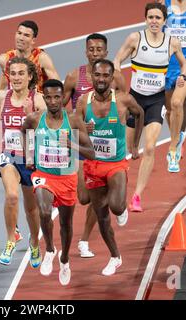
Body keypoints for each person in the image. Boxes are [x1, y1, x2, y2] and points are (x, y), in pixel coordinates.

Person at [114, 1, 186, 211]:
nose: (154, 21)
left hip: (155, 100)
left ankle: (136, 196)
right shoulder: (136, 38)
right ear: (145, 19)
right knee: (129, 150)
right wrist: (119, 84)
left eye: (158, 18)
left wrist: (182, 76)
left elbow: (183, 62)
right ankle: (132, 151)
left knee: (151, 147)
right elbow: (117, 60)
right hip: (135, 99)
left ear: (165, 21)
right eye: (150, 17)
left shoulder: (171, 43)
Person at [22, 79, 95, 285]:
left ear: (63, 98)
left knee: (65, 223)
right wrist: (28, 155)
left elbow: (90, 152)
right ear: (43, 98)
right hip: (44, 175)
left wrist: (71, 144)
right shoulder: (35, 119)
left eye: (57, 97)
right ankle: (50, 250)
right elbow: (25, 130)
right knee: (44, 211)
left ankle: (64, 259)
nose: (53, 101)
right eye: (49, 97)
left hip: (67, 178)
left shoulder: (73, 121)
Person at [77, 59, 144, 275]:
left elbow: (140, 113)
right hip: (92, 165)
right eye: (98, 75)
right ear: (91, 77)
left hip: (115, 163)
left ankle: (122, 204)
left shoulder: (123, 100)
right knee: (102, 216)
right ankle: (115, 257)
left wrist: (134, 144)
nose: (102, 79)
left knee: (115, 207)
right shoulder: (83, 102)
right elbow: (75, 128)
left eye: (106, 75)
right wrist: (83, 131)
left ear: (112, 77)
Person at [63, 33, 127, 259]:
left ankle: (84, 240)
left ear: (106, 52)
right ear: (86, 51)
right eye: (91, 49)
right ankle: (113, 193)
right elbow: (62, 111)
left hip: (108, 145)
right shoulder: (73, 77)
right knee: (84, 198)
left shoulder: (116, 77)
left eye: (99, 50)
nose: (95, 53)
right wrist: (79, 125)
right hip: (84, 145)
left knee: (98, 198)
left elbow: (122, 108)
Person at [0, 57, 46, 267]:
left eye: (21, 73)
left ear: (30, 76)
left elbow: (47, 128)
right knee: (12, 196)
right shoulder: (1, 96)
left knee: (32, 210)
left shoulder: (38, 99)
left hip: (31, 160)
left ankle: (34, 242)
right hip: (9, 157)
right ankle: (10, 240)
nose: (16, 77)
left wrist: (30, 114)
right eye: (12, 73)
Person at [0, 20, 59, 117]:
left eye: (26, 35)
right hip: (15, 105)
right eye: (19, 33)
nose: (21, 38)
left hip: (37, 108)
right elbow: (4, 78)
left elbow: (57, 86)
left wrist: (53, 108)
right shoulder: (5, 59)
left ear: (33, 40)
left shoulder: (41, 58)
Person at [158, 0, 186, 172]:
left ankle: (173, 149)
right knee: (171, 110)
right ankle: (179, 135)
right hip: (168, 64)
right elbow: (155, 31)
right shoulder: (164, 4)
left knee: (177, 103)